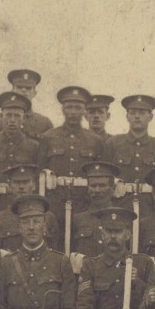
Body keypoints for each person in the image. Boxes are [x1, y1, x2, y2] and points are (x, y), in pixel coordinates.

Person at [36, 86, 106, 221]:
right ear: (63, 109)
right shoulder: (48, 137)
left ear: (84, 111)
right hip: (54, 204)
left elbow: (100, 175)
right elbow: (40, 173)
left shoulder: (95, 140)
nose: (73, 112)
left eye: (78, 108)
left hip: (85, 204)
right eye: (69, 107)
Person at [0, 91, 41, 212]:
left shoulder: (34, 147)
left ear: (23, 119)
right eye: (8, 115)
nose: (12, 120)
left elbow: (37, 180)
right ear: (1, 116)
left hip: (23, 204)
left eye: (17, 116)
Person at [105, 94, 155, 213]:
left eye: (142, 113)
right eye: (132, 113)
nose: (137, 116)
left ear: (150, 117)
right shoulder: (113, 144)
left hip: (148, 209)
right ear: (127, 116)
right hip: (119, 207)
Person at [0, 164, 61, 253]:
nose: (21, 187)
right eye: (17, 182)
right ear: (9, 186)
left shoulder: (48, 217)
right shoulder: (0, 219)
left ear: (33, 185)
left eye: (25, 182)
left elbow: (55, 251)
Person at [68, 161, 120, 261]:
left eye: (102, 185)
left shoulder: (122, 218)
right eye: (93, 185)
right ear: (88, 188)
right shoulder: (77, 219)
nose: (97, 190)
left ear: (112, 188)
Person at [0, 69, 55, 139]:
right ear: (13, 90)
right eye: (19, 87)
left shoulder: (44, 123)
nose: (23, 90)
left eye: (28, 88)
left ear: (34, 93)